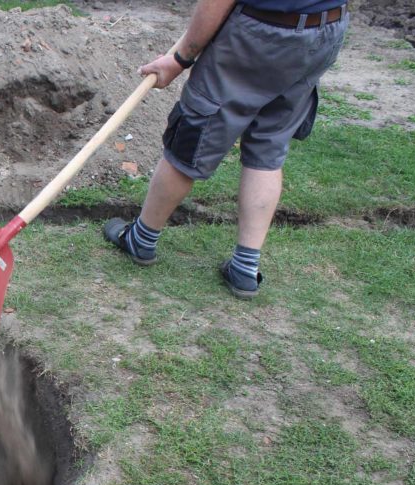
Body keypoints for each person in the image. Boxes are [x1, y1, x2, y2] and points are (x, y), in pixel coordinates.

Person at [103, 0, 348, 298]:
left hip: (260, 34)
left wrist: (180, 59)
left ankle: (141, 239)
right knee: (269, 145)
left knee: (193, 136)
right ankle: (245, 267)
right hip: (324, 29)